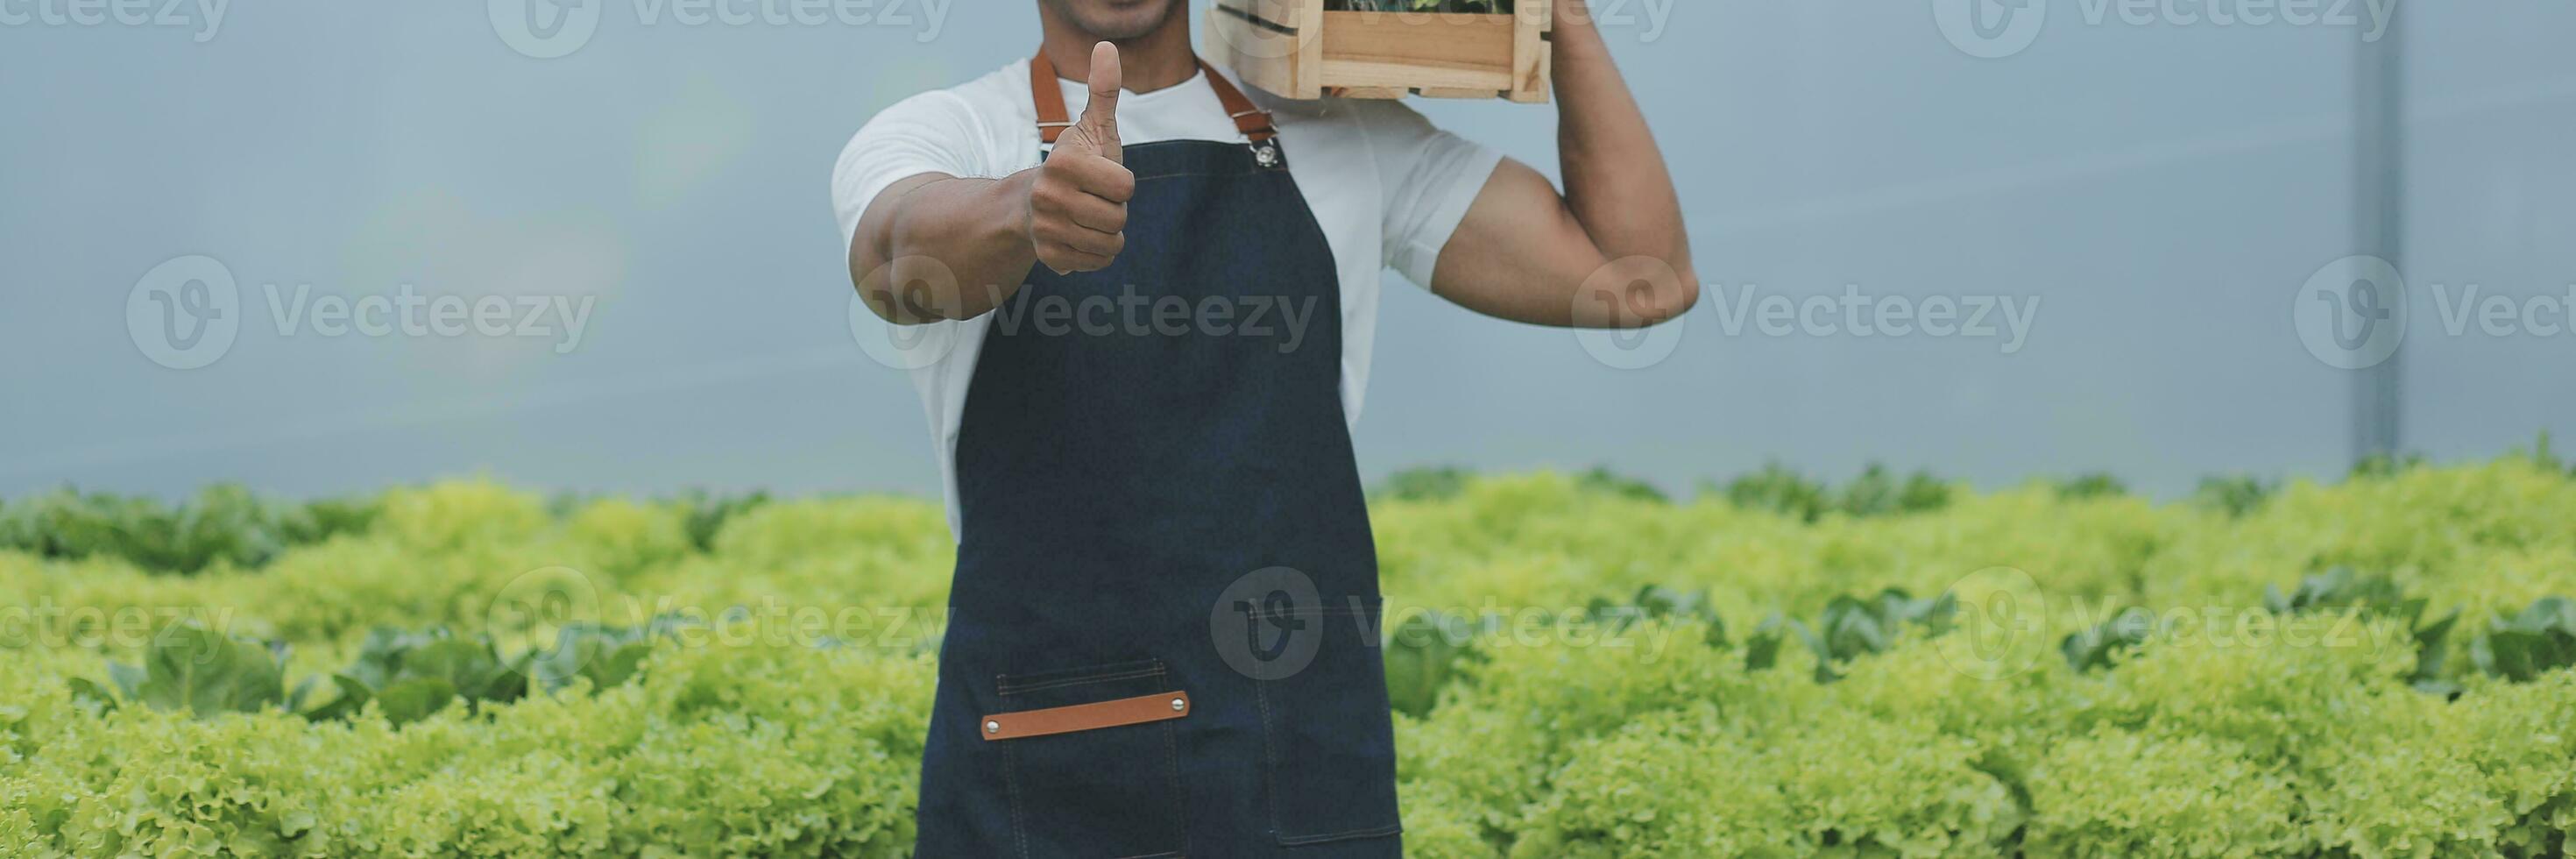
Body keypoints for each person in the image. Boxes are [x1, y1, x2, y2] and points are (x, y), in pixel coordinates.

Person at [830, 0, 1692, 855]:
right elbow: (895, 258)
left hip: (1304, 755)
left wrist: (1560, 16)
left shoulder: (1342, 135)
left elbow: (1637, 279)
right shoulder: (948, 135)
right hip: (1052, 768)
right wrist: (1029, 206)